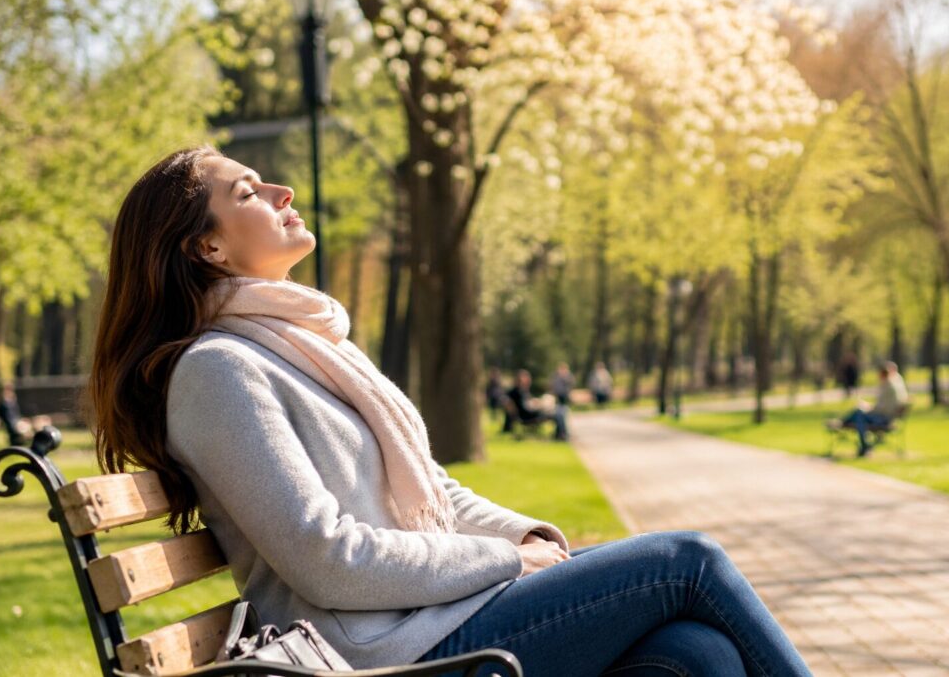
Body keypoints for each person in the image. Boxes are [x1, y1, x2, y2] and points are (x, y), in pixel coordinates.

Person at [89, 148, 812, 676]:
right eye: (248, 191)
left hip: (431, 620)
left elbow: (433, 489)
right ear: (207, 246)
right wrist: (508, 561)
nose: (282, 190)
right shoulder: (218, 371)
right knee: (688, 562)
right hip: (383, 655)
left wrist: (526, 536)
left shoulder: (304, 346)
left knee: (698, 655)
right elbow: (328, 558)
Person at [839, 361, 909, 457]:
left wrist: (867, 407)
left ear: (883, 374)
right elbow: (882, 406)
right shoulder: (894, 384)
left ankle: (862, 443)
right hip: (887, 416)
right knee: (859, 414)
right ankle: (862, 442)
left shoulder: (888, 387)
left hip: (884, 419)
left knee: (859, 414)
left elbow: (880, 409)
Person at [503, 369, 568, 442]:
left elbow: (525, 403)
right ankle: (561, 435)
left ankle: (561, 434)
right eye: (526, 378)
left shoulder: (521, 390)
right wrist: (537, 406)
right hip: (529, 416)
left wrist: (535, 403)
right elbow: (525, 408)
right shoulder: (518, 391)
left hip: (529, 414)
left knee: (560, 411)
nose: (528, 381)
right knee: (558, 413)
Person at [0, 382, 27, 446]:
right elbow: (2, 414)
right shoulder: (4, 403)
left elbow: (17, 413)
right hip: (11, 423)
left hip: (15, 421)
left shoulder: (13, 402)